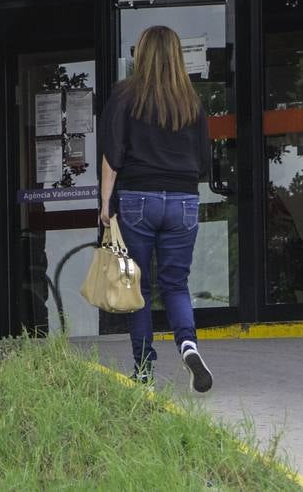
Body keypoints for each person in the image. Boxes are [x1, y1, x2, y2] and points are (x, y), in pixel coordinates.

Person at [98, 25, 213, 393]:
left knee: (138, 287)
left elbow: (112, 156)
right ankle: (189, 346)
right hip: (183, 201)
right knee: (175, 284)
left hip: (137, 201)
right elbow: (205, 162)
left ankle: (144, 369)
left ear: (141, 54)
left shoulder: (125, 96)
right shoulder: (191, 101)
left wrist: (104, 204)